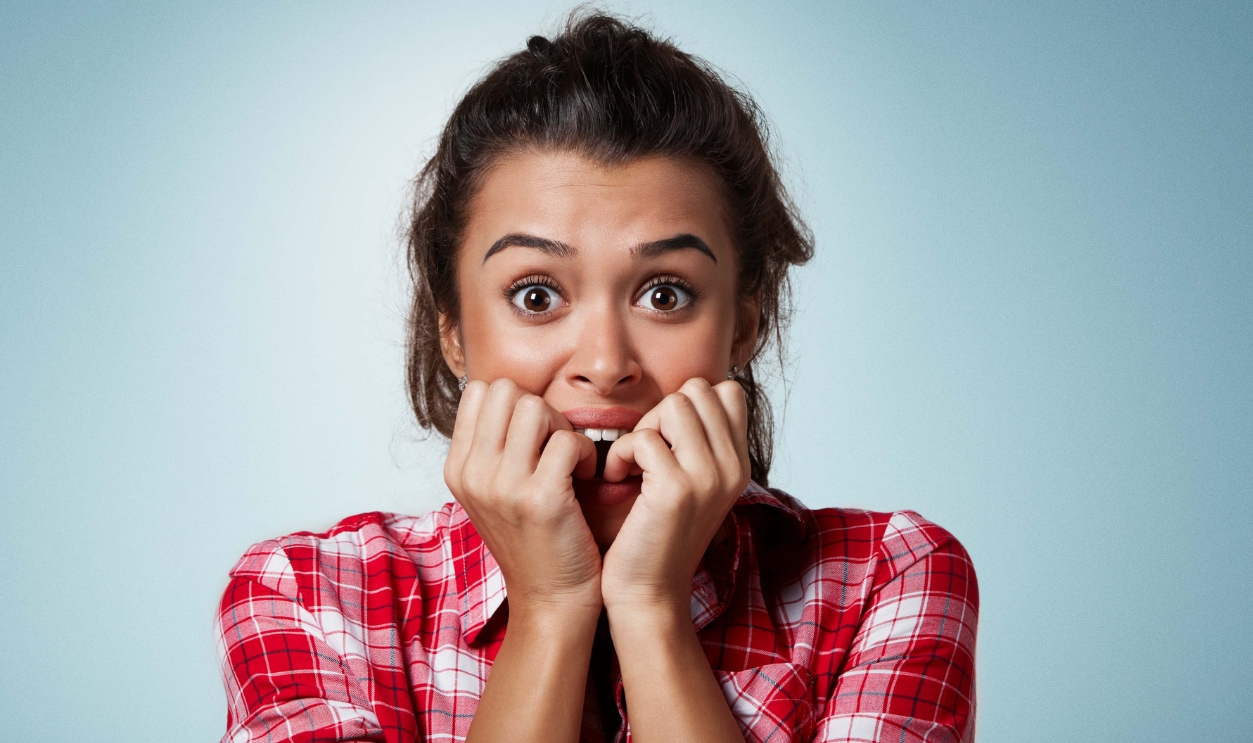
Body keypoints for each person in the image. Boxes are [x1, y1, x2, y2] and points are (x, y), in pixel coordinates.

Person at [215, 12, 978, 743]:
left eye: (664, 293)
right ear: (452, 330)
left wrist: (650, 609)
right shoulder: (308, 595)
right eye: (536, 295)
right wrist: (549, 608)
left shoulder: (887, 575)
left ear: (741, 324)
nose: (607, 365)